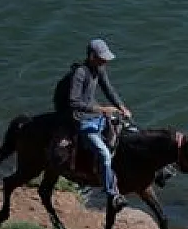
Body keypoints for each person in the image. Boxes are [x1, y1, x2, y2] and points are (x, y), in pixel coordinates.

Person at [53, 38, 132, 207]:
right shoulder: (80, 73)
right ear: (91, 56)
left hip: (92, 110)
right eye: (102, 58)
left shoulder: (99, 69)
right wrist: (102, 110)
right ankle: (112, 193)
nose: (105, 61)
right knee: (103, 152)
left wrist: (121, 106)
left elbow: (108, 89)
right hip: (78, 117)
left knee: (123, 126)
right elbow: (74, 102)